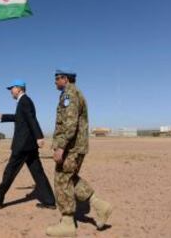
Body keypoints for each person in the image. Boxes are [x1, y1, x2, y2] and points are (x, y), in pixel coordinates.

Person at [46, 70, 112, 237]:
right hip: (75, 147)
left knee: (62, 180)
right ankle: (100, 205)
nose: (54, 82)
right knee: (70, 178)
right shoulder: (74, 93)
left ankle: (68, 224)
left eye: (57, 79)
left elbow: (70, 123)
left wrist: (61, 147)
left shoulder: (69, 94)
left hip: (71, 148)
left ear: (65, 79)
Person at [0, 80, 55, 209]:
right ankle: (49, 201)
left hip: (23, 145)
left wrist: (39, 136)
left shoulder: (25, 101)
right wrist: (2, 116)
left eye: (12, 88)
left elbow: (31, 119)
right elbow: (19, 117)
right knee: (38, 173)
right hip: (29, 145)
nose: (11, 91)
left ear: (19, 89)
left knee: (9, 172)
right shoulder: (23, 101)